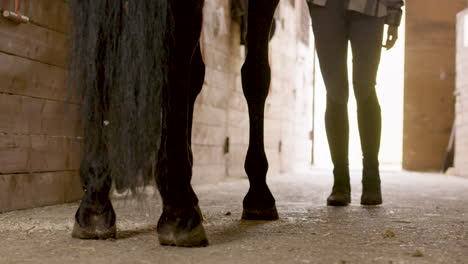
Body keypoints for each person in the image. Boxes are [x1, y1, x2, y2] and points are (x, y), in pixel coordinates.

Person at [307, 0, 404, 206]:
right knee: (335, 91)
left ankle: (371, 180)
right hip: (325, 7)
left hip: (371, 6)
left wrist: (394, 13)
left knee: (365, 87)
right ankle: (340, 182)